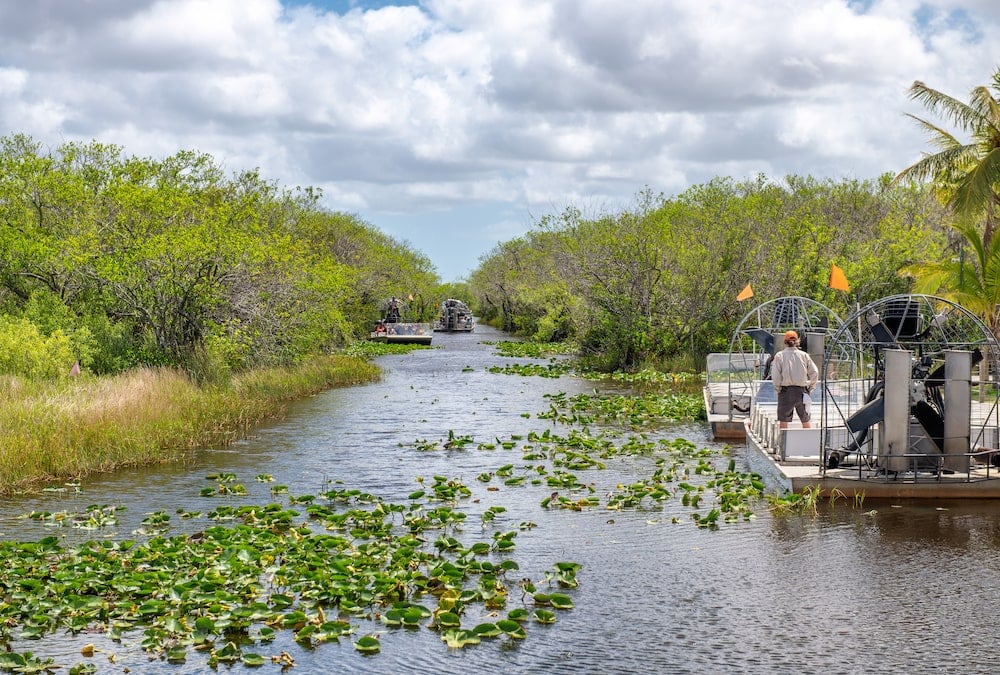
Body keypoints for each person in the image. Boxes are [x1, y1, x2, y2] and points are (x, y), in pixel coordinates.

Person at [771, 330, 819, 429]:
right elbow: (815, 372)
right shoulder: (804, 355)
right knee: (805, 419)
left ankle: (783, 443)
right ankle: (808, 442)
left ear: (785, 342)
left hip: (785, 391)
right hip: (802, 391)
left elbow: (776, 376)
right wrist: (811, 388)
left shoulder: (779, 355)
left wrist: (778, 389)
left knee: (784, 420)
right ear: (797, 341)